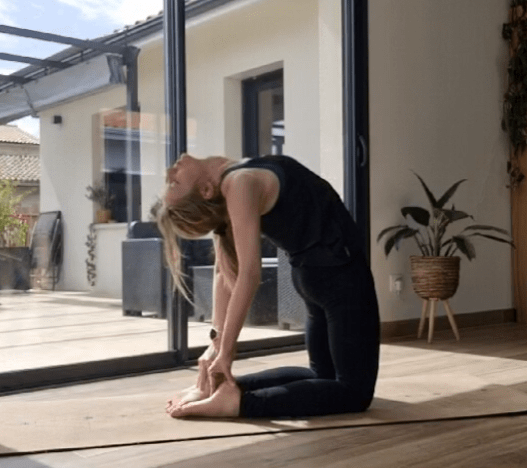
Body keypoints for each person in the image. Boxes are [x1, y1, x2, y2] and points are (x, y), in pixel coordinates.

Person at [156, 153, 380, 418]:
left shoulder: (235, 177)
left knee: (323, 376)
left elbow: (223, 272)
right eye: (175, 185)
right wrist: (223, 350)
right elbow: (245, 275)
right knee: (354, 393)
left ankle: (224, 390)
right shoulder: (239, 183)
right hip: (340, 278)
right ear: (205, 190)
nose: (171, 174)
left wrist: (217, 348)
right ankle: (239, 403)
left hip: (315, 277)